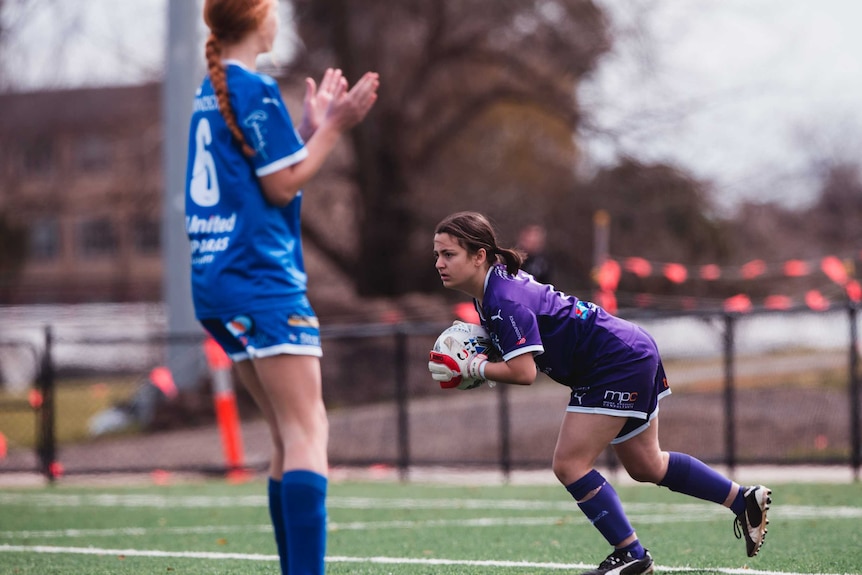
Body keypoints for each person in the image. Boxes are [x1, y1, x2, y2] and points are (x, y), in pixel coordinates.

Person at [428, 211, 771, 575]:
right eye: (437, 254)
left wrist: (472, 367)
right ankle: (742, 499)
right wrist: (483, 356)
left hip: (614, 362)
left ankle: (631, 553)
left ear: (479, 255)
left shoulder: (502, 299)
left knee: (569, 464)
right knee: (646, 465)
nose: (439, 263)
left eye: (449, 254)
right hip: (627, 351)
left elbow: (524, 373)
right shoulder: (493, 290)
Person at [184, 1, 379, 574]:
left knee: (284, 434)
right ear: (257, 20)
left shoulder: (213, 90)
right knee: (306, 429)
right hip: (261, 281)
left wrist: (306, 132)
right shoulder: (251, 88)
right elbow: (281, 185)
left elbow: (266, 167)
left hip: (219, 283)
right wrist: (337, 127)